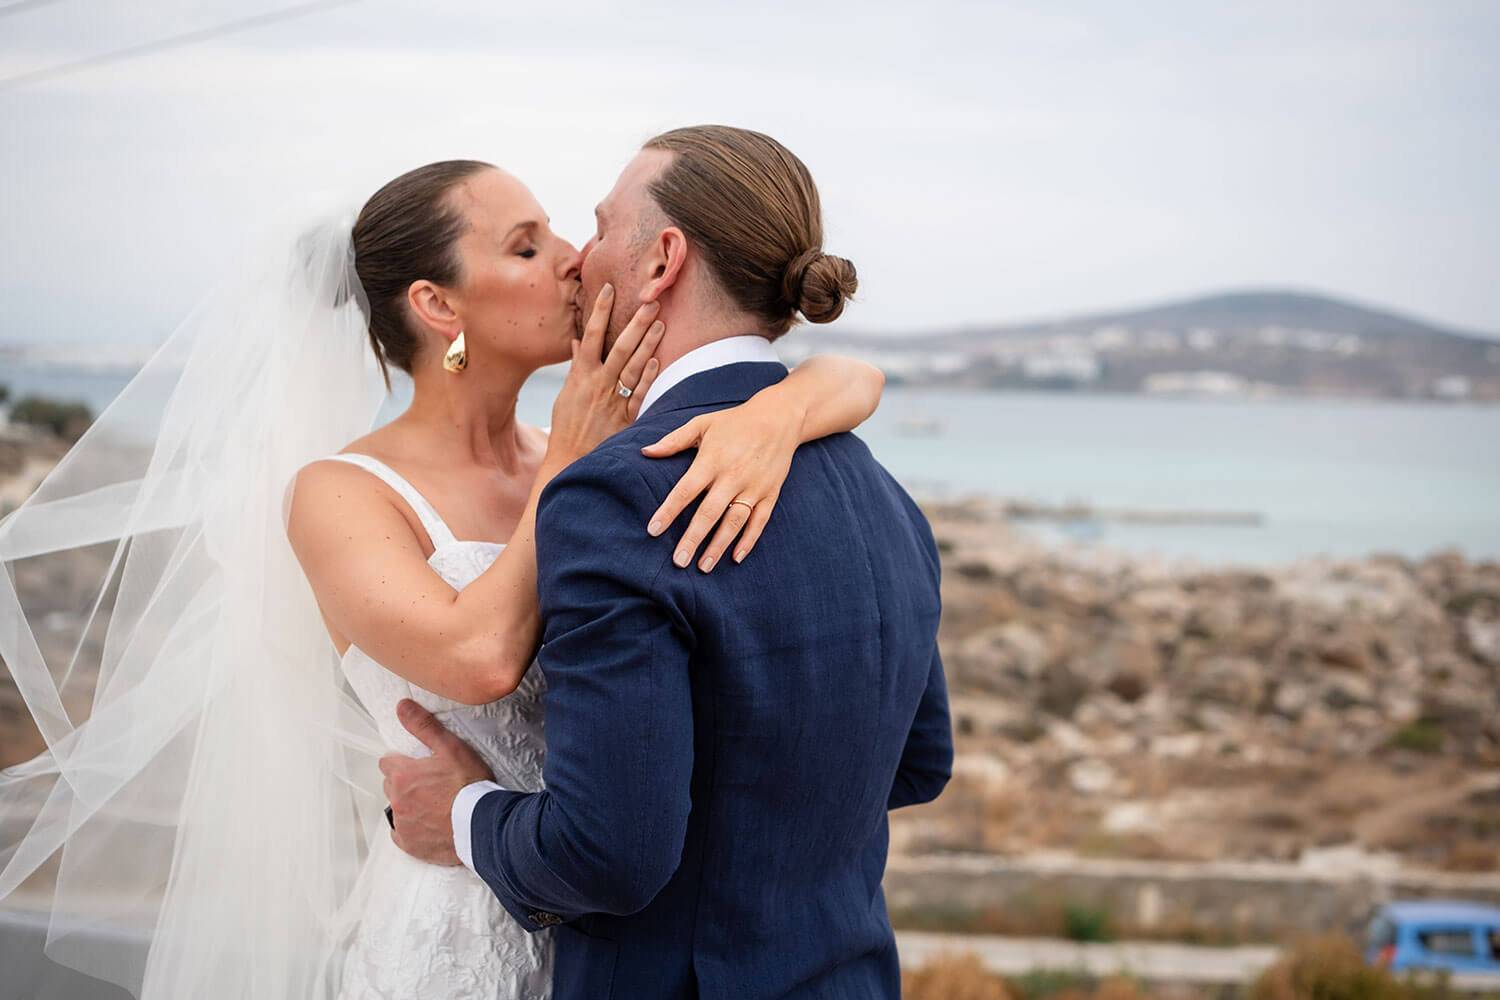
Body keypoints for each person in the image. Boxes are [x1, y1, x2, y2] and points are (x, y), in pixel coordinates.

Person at [0, 156, 883, 998]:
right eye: (527, 246)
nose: (575, 260)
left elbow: (853, 374)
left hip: (614, 927)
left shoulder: (589, 460)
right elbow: (479, 656)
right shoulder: (340, 492)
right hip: (455, 927)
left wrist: (785, 408)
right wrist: (571, 459)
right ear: (436, 304)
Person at [384, 125, 952, 999]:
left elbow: (608, 858)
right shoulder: (882, 491)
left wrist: (461, 815)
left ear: (662, 262)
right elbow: (918, 763)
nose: (579, 258)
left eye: (602, 226)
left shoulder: (618, 496)